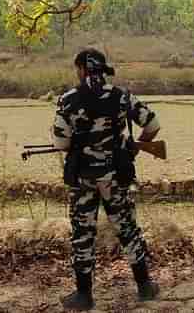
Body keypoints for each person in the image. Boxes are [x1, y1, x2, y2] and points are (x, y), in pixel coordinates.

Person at [53, 48, 161, 310]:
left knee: (82, 233)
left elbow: (61, 142)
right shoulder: (122, 96)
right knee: (127, 228)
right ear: (103, 69)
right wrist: (135, 145)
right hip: (116, 177)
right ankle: (145, 286)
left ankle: (83, 295)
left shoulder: (68, 100)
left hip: (84, 179)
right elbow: (153, 124)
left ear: (81, 70)